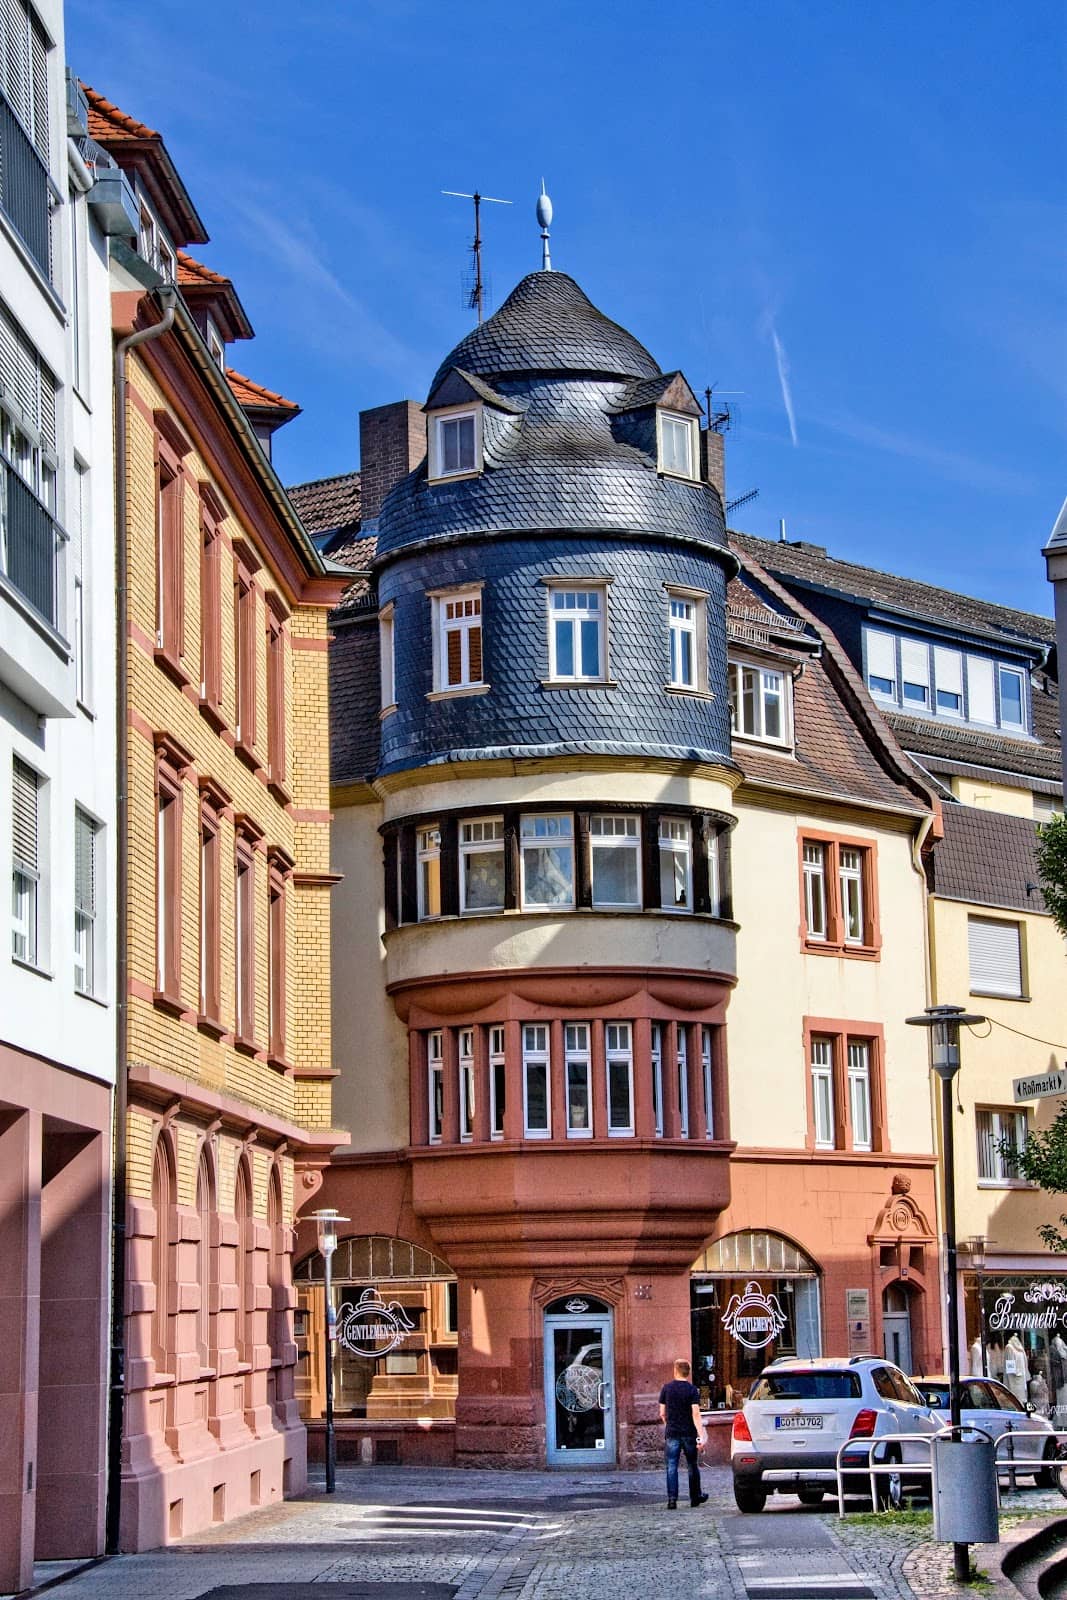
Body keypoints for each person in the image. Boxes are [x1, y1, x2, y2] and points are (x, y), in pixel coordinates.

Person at [658, 1357, 708, 1509]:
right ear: (688, 1372)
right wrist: (700, 1436)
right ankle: (695, 1497)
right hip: (688, 1432)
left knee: (671, 1465)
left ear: (675, 1371)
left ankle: (672, 1499)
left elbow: (661, 1413)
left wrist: (669, 1425)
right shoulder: (692, 1390)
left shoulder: (666, 1388)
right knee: (692, 1465)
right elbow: (696, 1414)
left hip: (672, 1432)